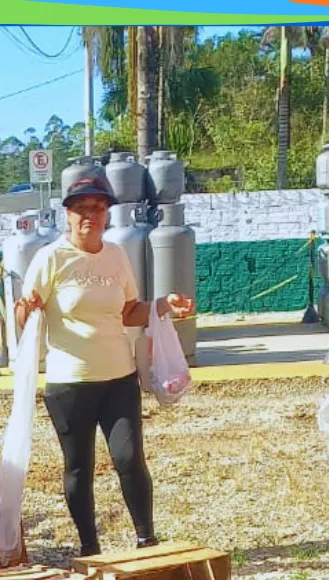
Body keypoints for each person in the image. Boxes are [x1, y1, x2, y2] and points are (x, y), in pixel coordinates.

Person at [15, 174, 194, 557]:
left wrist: (163, 305)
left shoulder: (116, 255)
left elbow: (130, 311)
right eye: (81, 209)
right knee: (79, 466)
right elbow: (23, 313)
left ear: (108, 213)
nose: (89, 216)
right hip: (70, 383)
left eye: (97, 208)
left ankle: (146, 538)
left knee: (130, 458)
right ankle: (89, 547)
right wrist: (25, 307)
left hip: (119, 379)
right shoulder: (51, 258)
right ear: (67, 214)